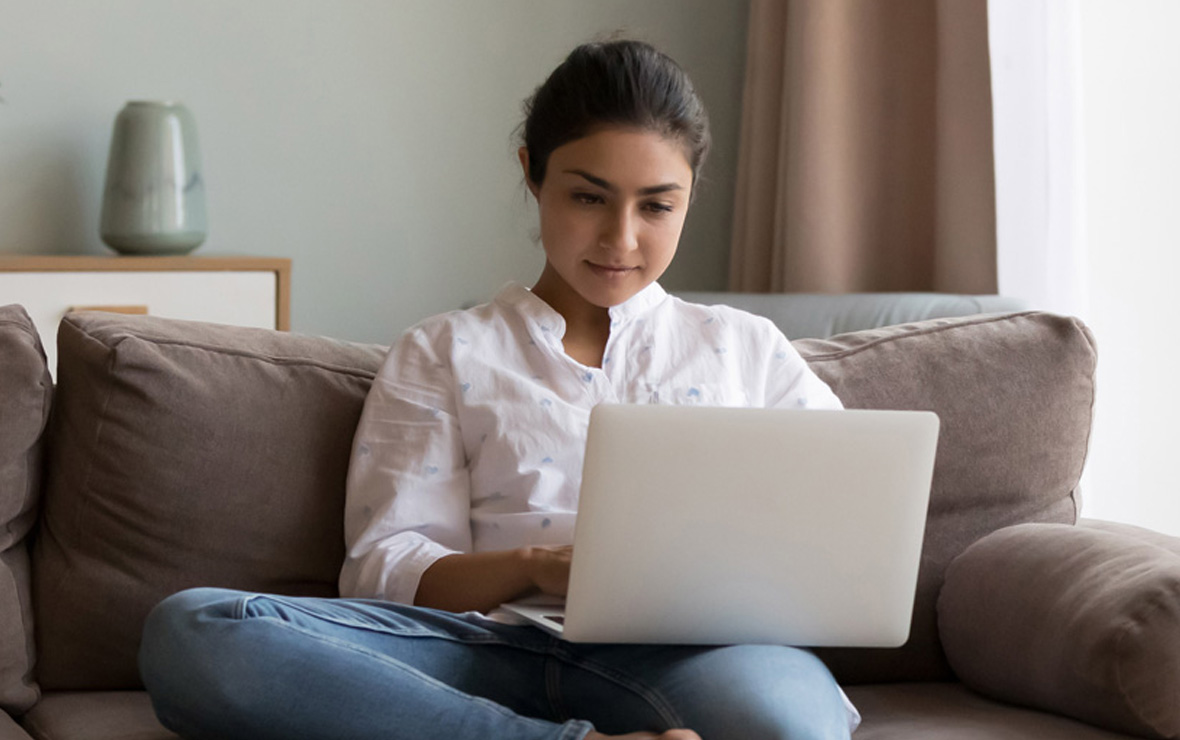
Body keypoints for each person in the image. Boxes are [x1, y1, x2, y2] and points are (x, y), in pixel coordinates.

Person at [138, 39, 859, 740]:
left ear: (691, 195)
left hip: (692, 659)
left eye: (656, 206)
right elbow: (385, 570)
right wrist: (537, 568)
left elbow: (842, 530)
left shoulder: (745, 349)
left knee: (791, 726)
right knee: (196, 632)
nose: (621, 238)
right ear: (532, 175)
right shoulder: (445, 351)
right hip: (474, 652)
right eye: (589, 196)